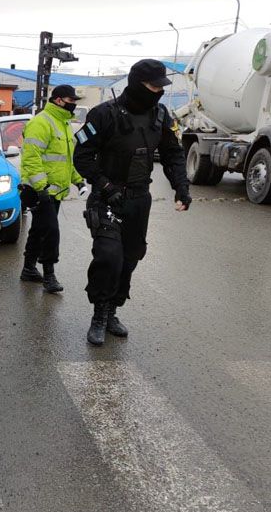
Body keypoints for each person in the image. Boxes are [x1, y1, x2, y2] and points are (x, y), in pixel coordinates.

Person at [73, 59, 191, 346]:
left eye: (161, 87)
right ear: (137, 83)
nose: (158, 92)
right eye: (152, 86)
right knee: (108, 256)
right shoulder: (103, 115)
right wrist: (104, 185)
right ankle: (99, 314)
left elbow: (173, 154)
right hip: (107, 198)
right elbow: (82, 157)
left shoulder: (161, 116)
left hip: (140, 199)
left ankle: (113, 311)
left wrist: (181, 187)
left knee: (130, 258)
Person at [19, 84, 87, 293]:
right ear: (58, 100)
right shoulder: (41, 122)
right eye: (71, 100)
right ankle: (49, 275)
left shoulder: (64, 124)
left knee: (39, 229)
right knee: (51, 232)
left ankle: (29, 269)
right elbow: (31, 158)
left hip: (54, 192)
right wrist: (42, 188)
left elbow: (65, 161)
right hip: (40, 191)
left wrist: (78, 180)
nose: (74, 104)